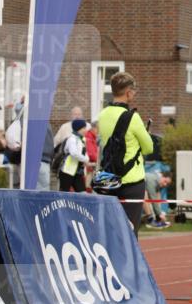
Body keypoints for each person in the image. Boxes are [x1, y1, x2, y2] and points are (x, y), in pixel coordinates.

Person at [97, 71, 153, 235]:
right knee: (130, 229)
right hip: (131, 180)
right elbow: (149, 148)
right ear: (128, 92)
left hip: (110, 178)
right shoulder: (133, 118)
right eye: (133, 90)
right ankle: (130, 260)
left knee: (112, 229)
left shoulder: (102, 115)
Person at [59, 119, 89, 192]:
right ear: (78, 129)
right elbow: (74, 153)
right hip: (67, 171)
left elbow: (84, 153)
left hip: (77, 172)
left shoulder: (81, 140)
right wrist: (85, 159)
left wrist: (87, 159)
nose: (86, 130)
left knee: (82, 194)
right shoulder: (72, 139)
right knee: (64, 194)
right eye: (84, 128)